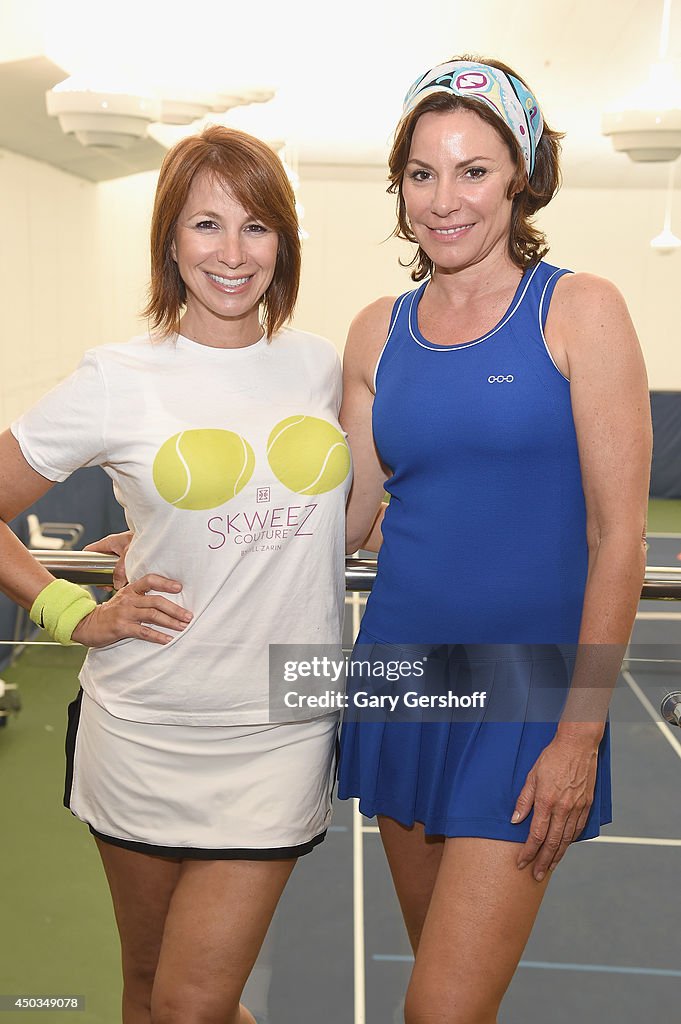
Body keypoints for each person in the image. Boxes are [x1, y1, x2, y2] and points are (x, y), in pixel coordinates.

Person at [0, 125, 351, 1024]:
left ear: (285, 241)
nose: (232, 254)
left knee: (195, 1002)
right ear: (169, 241)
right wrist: (69, 610)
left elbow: (338, 518)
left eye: (256, 227)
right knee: (150, 989)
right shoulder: (117, 379)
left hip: (280, 724)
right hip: (146, 723)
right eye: (205, 226)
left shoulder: (320, 366)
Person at [337, 57, 652, 1023]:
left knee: (439, 1008)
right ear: (398, 184)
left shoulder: (579, 309)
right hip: (399, 679)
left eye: (473, 169)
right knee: (444, 989)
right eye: (422, 172)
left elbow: (619, 536)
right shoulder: (372, 331)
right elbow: (344, 520)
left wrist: (581, 731)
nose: (444, 199)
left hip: (527, 701)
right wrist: (175, 536)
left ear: (520, 175)